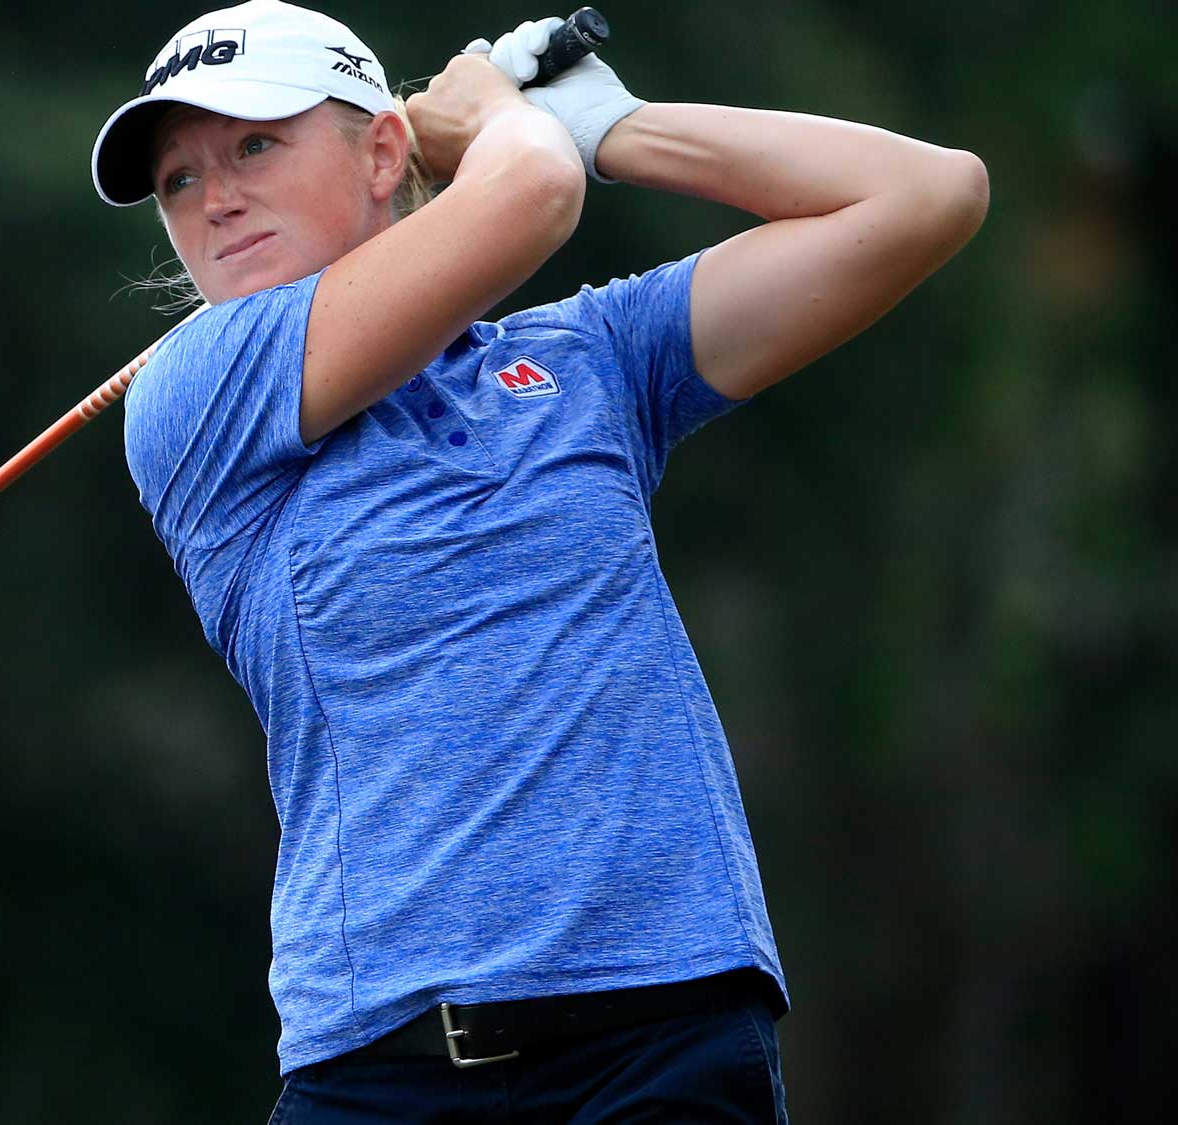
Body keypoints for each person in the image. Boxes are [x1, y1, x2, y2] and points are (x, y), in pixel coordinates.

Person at [90, 2, 988, 1121]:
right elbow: (529, 199)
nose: (213, 199)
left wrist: (612, 127)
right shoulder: (194, 390)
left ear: (381, 152)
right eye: (177, 180)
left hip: (664, 1034)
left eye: (254, 146)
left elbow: (926, 196)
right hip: (385, 1068)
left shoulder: (589, 358)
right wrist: (508, 125)